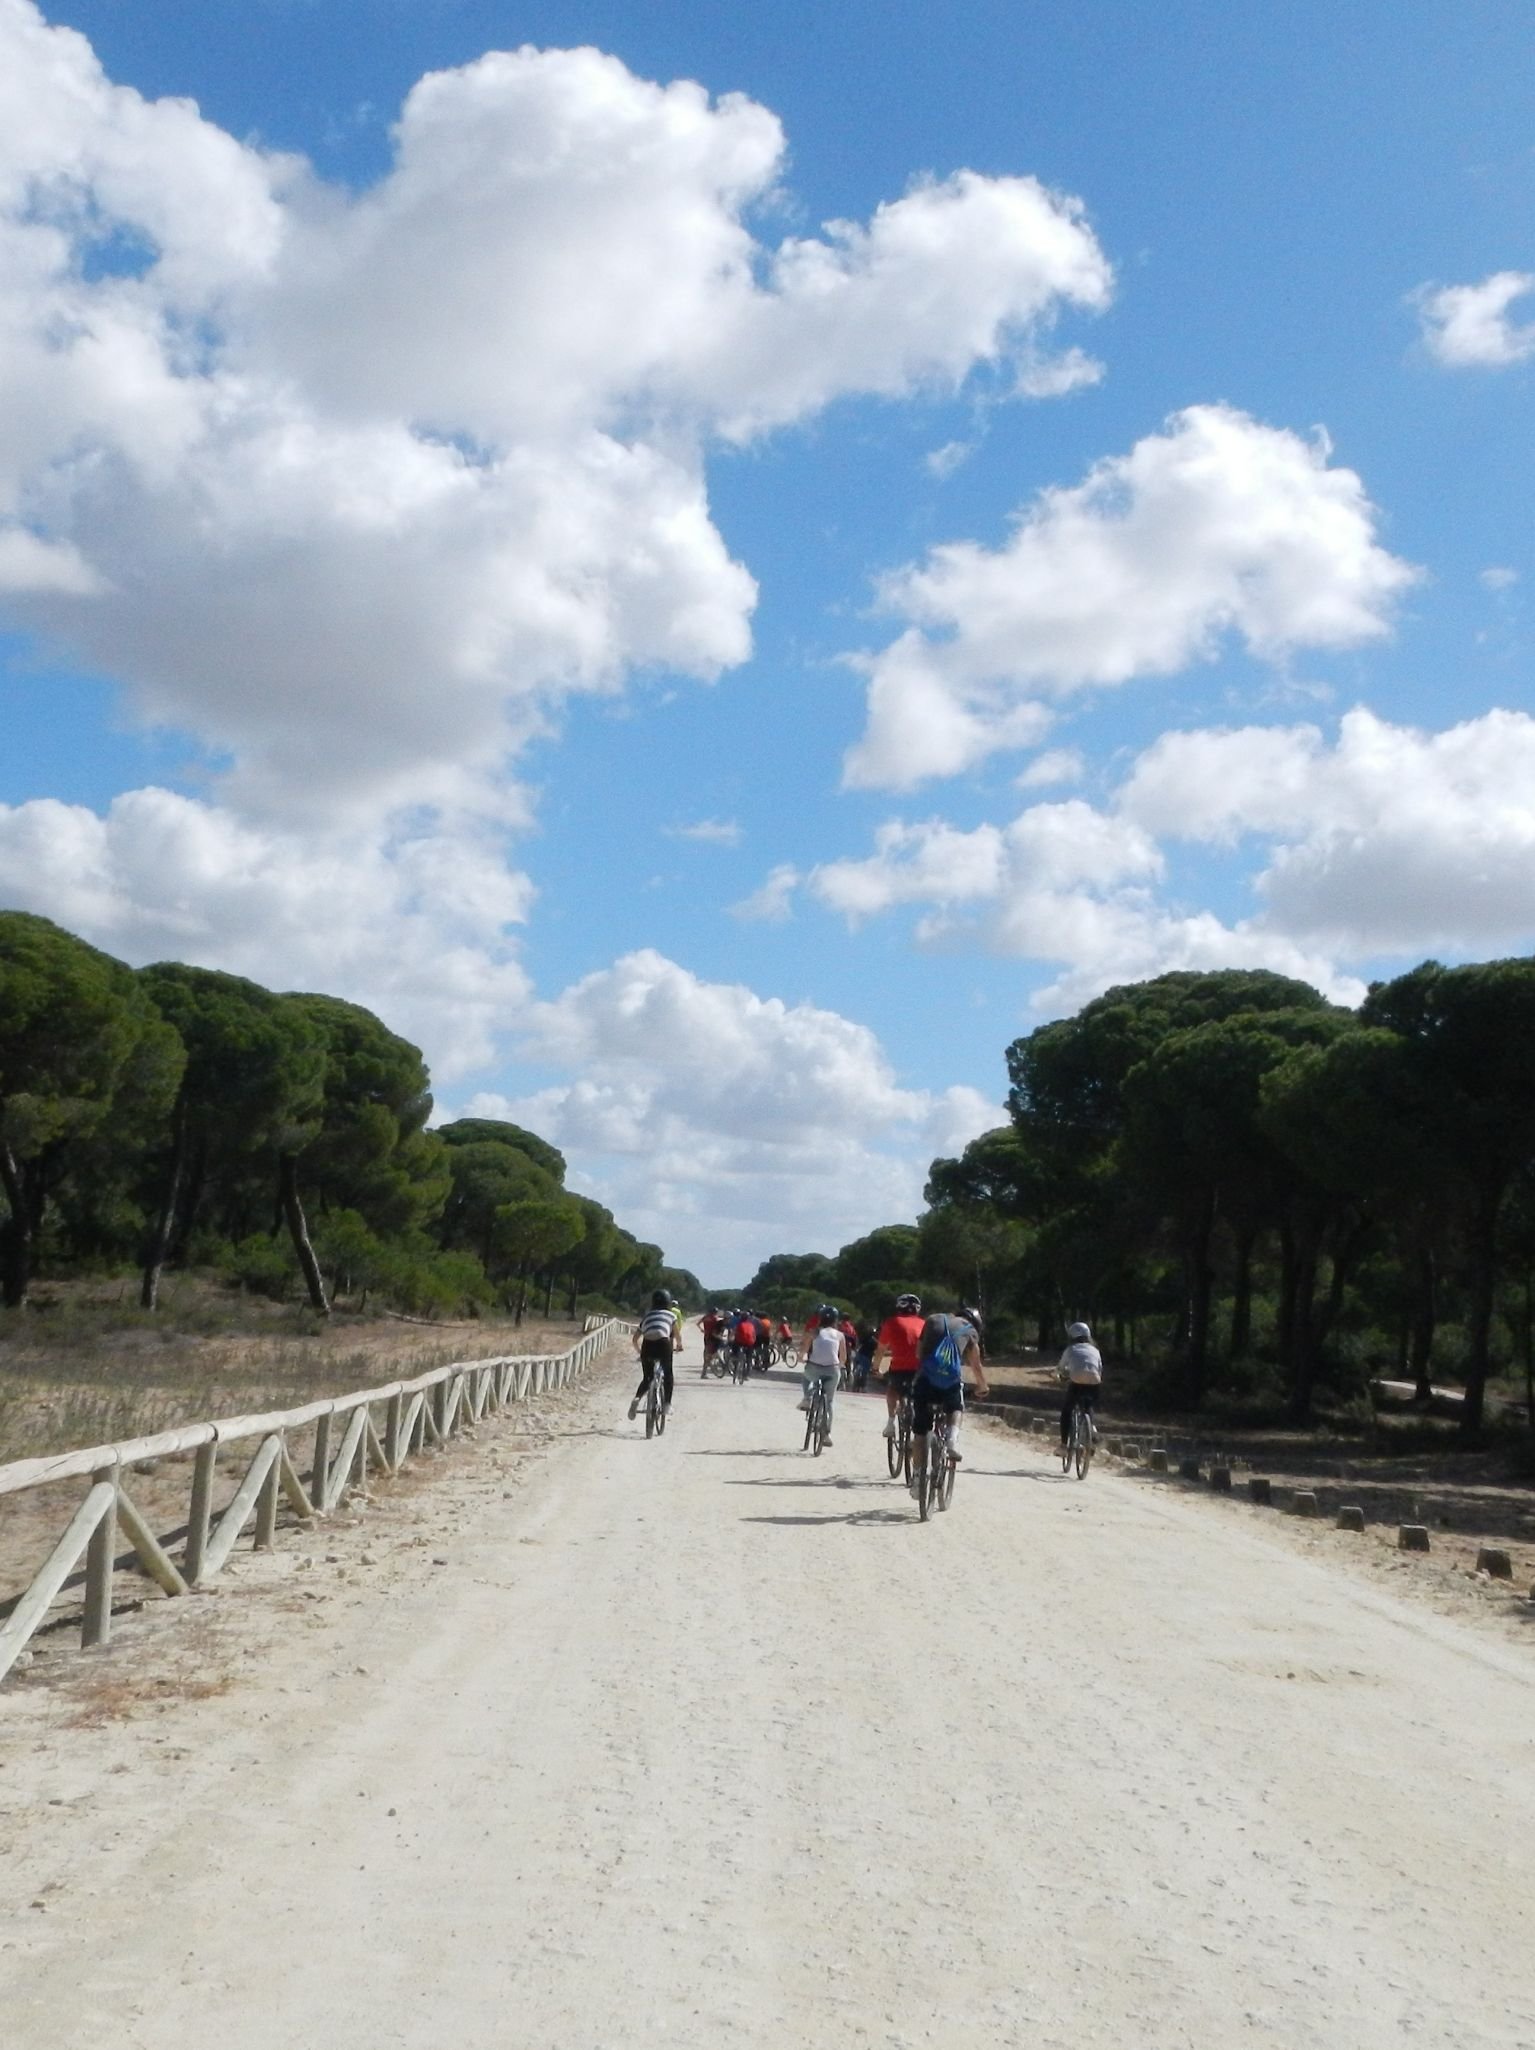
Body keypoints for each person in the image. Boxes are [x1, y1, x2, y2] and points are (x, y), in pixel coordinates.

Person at [909, 1303, 989, 1490]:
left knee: (920, 1433)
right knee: (956, 1408)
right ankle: (952, 1439)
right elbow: (976, 1365)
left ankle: (917, 1479)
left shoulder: (933, 1319)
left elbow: (918, 1352)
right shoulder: (969, 1330)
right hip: (950, 1383)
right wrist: (982, 1386)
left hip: (925, 1381)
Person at [874, 1292, 926, 1442]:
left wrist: (876, 1368)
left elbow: (881, 1349)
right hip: (921, 1369)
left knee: (892, 1390)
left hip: (899, 1368)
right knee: (920, 1398)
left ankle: (891, 1422)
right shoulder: (924, 1324)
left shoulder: (891, 1322)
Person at [797, 1308, 846, 1444]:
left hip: (814, 1368)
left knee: (806, 1378)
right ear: (836, 1320)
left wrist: (801, 1358)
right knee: (829, 1401)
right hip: (832, 1370)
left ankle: (807, 1398)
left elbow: (804, 1350)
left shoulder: (814, 1332)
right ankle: (826, 1434)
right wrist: (840, 1365)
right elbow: (843, 1357)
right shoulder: (840, 1335)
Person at [629, 1289, 677, 1420]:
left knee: (647, 1377)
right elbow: (676, 1334)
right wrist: (679, 1345)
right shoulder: (671, 1315)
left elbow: (635, 1339)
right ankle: (667, 1404)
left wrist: (640, 1352)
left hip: (647, 1345)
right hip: (663, 1344)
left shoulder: (647, 1316)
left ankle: (637, 1399)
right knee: (668, 1374)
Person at [1057, 1320, 1103, 1449]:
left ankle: (1063, 1445)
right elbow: (1099, 1368)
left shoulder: (1070, 1349)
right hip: (1094, 1380)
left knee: (1067, 1410)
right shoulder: (1095, 1350)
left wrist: (1062, 1376)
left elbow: (1061, 1367)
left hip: (1076, 1380)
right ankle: (1091, 1428)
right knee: (1089, 1405)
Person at [698, 1306, 725, 1371]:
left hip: (706, 1336)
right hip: (713, 1337)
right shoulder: (715, 1319)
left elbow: (698, 1324)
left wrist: (702, 1329)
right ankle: (713, 1361)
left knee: (707, 1350)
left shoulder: (705, 1317)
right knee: (715, 1350)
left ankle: (706, 1365)